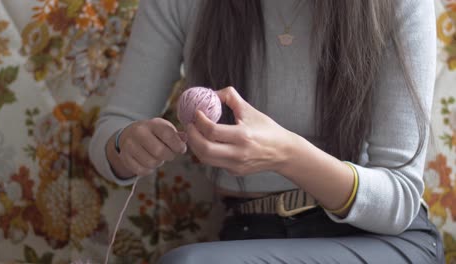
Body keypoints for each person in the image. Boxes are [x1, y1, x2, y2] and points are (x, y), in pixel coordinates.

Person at [89, 0, 444, 263]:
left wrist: (286, 155)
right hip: (250, 235)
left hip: (378, 240)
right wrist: (127, 144)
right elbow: (113, 131)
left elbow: (399, 200)